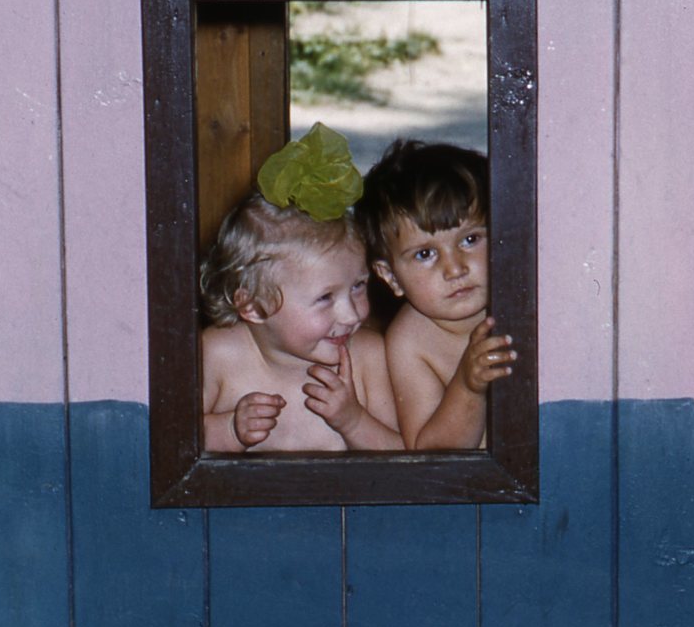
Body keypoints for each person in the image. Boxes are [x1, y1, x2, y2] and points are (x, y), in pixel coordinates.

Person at [198, 126, 402, 453]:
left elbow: (409, 461)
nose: (352, 315)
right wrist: (229, 429)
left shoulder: (368, 357)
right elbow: (172, 450)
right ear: (253, 306)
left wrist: (354, 421)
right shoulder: (218, 354)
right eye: (325, 298)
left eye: (359, 286)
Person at [357, 139, 517, 450]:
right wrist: (468, 387)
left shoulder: (520, 301)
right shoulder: (410, 341)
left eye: (470, 239)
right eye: (425, 254)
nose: (455, 268)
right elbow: (429, 451)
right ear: (390, 277)